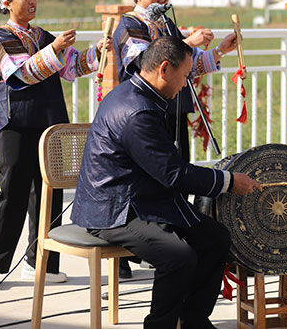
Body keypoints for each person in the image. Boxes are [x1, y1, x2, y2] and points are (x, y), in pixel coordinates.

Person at [71, 36, 262, 329]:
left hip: (143, 199)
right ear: (163, 69)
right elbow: (172, 174)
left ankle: (193, 319)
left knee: (216, 238)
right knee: (178, 256)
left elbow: (167, 170)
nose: (185, 84)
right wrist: (228, 181)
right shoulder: (138, 111)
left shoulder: (141, 94)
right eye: (184, 76)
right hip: (115, 209)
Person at [0, 0, 109, 291]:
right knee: (13, 194)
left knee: (50, 193)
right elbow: (21, 75)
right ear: (8, 3)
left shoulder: (44, 35)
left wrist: (96, 51)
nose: (33, 0)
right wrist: (54, 49)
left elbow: (72, 68)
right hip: (17, 124)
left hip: (50, 124)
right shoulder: (2, 37)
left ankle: (41, 263)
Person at [114, 0, 238, 277]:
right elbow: (148, 62)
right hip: (141, 113)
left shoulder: (165, 23)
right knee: (141, 176)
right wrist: (190, 43)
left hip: (171, 106)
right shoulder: (129, 25)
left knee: (173, 170)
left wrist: (219, 50)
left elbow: (185, 68)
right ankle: (124, 254)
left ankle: (170, 237)